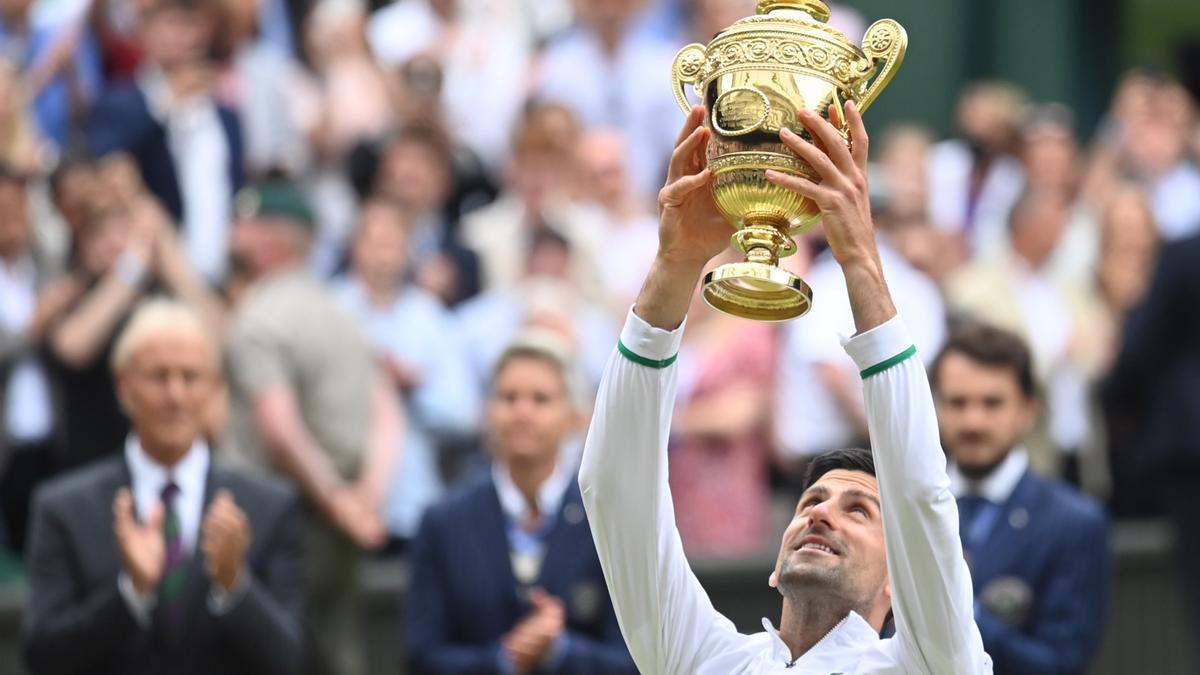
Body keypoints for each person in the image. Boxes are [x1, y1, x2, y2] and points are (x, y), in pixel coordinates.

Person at [579, 102, 992, 672]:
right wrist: (674, 265)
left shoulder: (934, 663)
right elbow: (612, 488)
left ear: (903, 583)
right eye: (812, 501)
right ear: (774, 568)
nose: (822, 515)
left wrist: (860, 259)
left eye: (861, 511)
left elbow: (921, 494)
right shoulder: (702, 658)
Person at [23, 299, 305, 675]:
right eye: (158, 376)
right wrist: (130, 594)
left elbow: (292, 660)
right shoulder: (63, 509)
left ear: (215, 388)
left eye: (191, 377)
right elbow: (42, 657)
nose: (175, 396)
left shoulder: (268, 507)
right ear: (124, 386)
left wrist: (235, 585)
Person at [222, 179, 400, 675]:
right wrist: (366, 495)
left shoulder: (259, 318)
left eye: (244, 224)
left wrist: (337, 501)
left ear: (270, 241)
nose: (233, 233)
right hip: (342, 515)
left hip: (282, 516)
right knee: (341, 653)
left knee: (270, 654)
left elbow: (279, 430)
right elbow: (388, 411)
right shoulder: (343, 313)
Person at [407, 338, 636, 674]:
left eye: (540, 399)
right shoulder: (443, 521)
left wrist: (562, 651)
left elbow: (636, 659)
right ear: (487, 410)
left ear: (576, 416)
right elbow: (421, 654)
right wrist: (503, 660)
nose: (521, 412)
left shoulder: (607, 520)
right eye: (508, 397)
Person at [930, 321, 1109, 674]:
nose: (973, 421)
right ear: (935, 407)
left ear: (1028, 409)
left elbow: (1063, 664)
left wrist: (963, 611)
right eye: (958, 402)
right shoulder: (899, 510)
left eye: (992, 403)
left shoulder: (1074, 524)